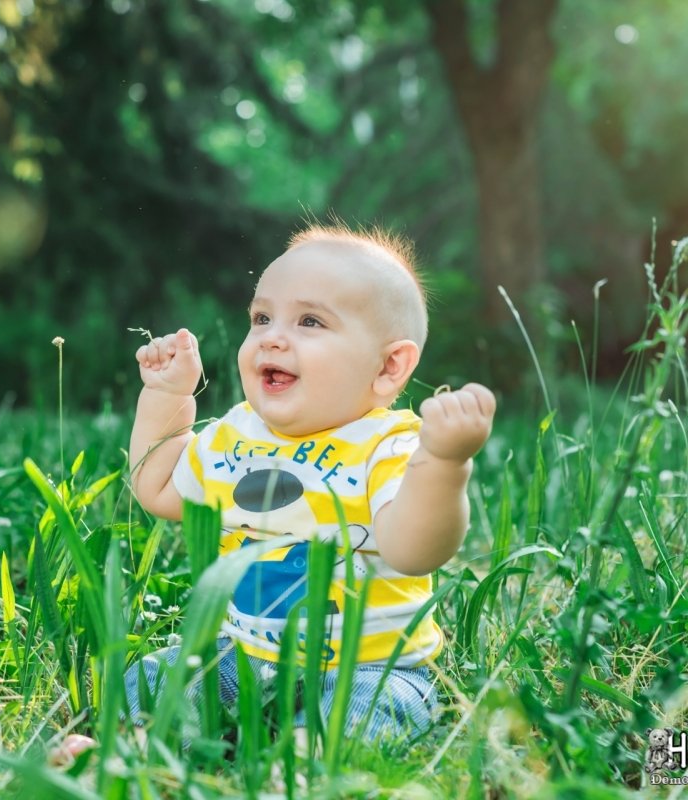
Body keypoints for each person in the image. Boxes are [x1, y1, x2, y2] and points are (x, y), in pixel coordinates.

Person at [54, 222, 495, 764]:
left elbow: (414, 551)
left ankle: (302, 762)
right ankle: (137, 752)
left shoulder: (390, 445)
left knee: (358, 723)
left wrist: (443, 464)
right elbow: (158, 488)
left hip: (369, 669)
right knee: (144, 679)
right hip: (240, 656)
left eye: (310, 320)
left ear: (388, 367)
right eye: (261, 317)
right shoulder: (237, 436)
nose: (272, 336)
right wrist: (169, 395)